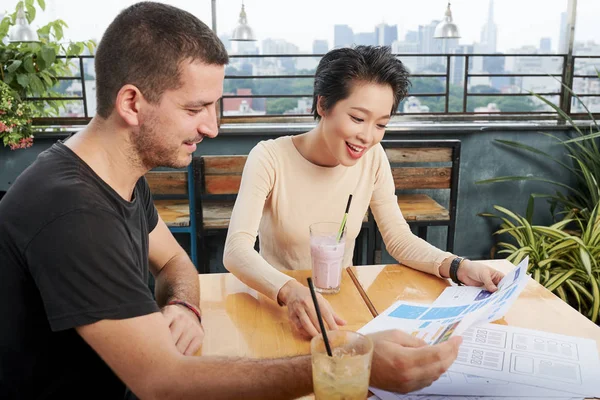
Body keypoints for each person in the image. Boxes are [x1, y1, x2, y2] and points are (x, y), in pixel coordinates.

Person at [0, 3, 462, 399]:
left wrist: (184, 305)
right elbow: (164, 382)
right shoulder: (73, 213)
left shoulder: (117, 176)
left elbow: (177, 264)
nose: (212, 128)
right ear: (131, 103)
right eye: (195, 108)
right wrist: (342, 362)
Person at [223, 45, 505, 339]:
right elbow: (236, 251)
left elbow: (398, 238)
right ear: (323, 105)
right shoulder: (269, 158)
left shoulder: (373, 157)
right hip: (280, 304)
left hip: (342, 304)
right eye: (357, 118)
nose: (368, 137)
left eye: (381, 124)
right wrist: (290, 292)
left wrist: (459, 267)